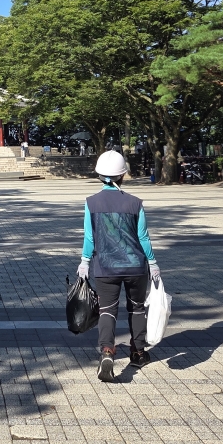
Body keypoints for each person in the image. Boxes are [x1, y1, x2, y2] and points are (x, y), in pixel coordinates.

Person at [77, 150, 159, 382]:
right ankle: (138, 352)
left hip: (105, 266)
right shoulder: (135, 203)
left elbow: (89, 237)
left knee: (107, 310)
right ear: (122, 175)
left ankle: (107, 351)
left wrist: (84, 261)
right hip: (135, 266)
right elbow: (143, 237)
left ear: (99, 175)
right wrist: (153, 262)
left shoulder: (91, 203)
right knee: (137, 308)